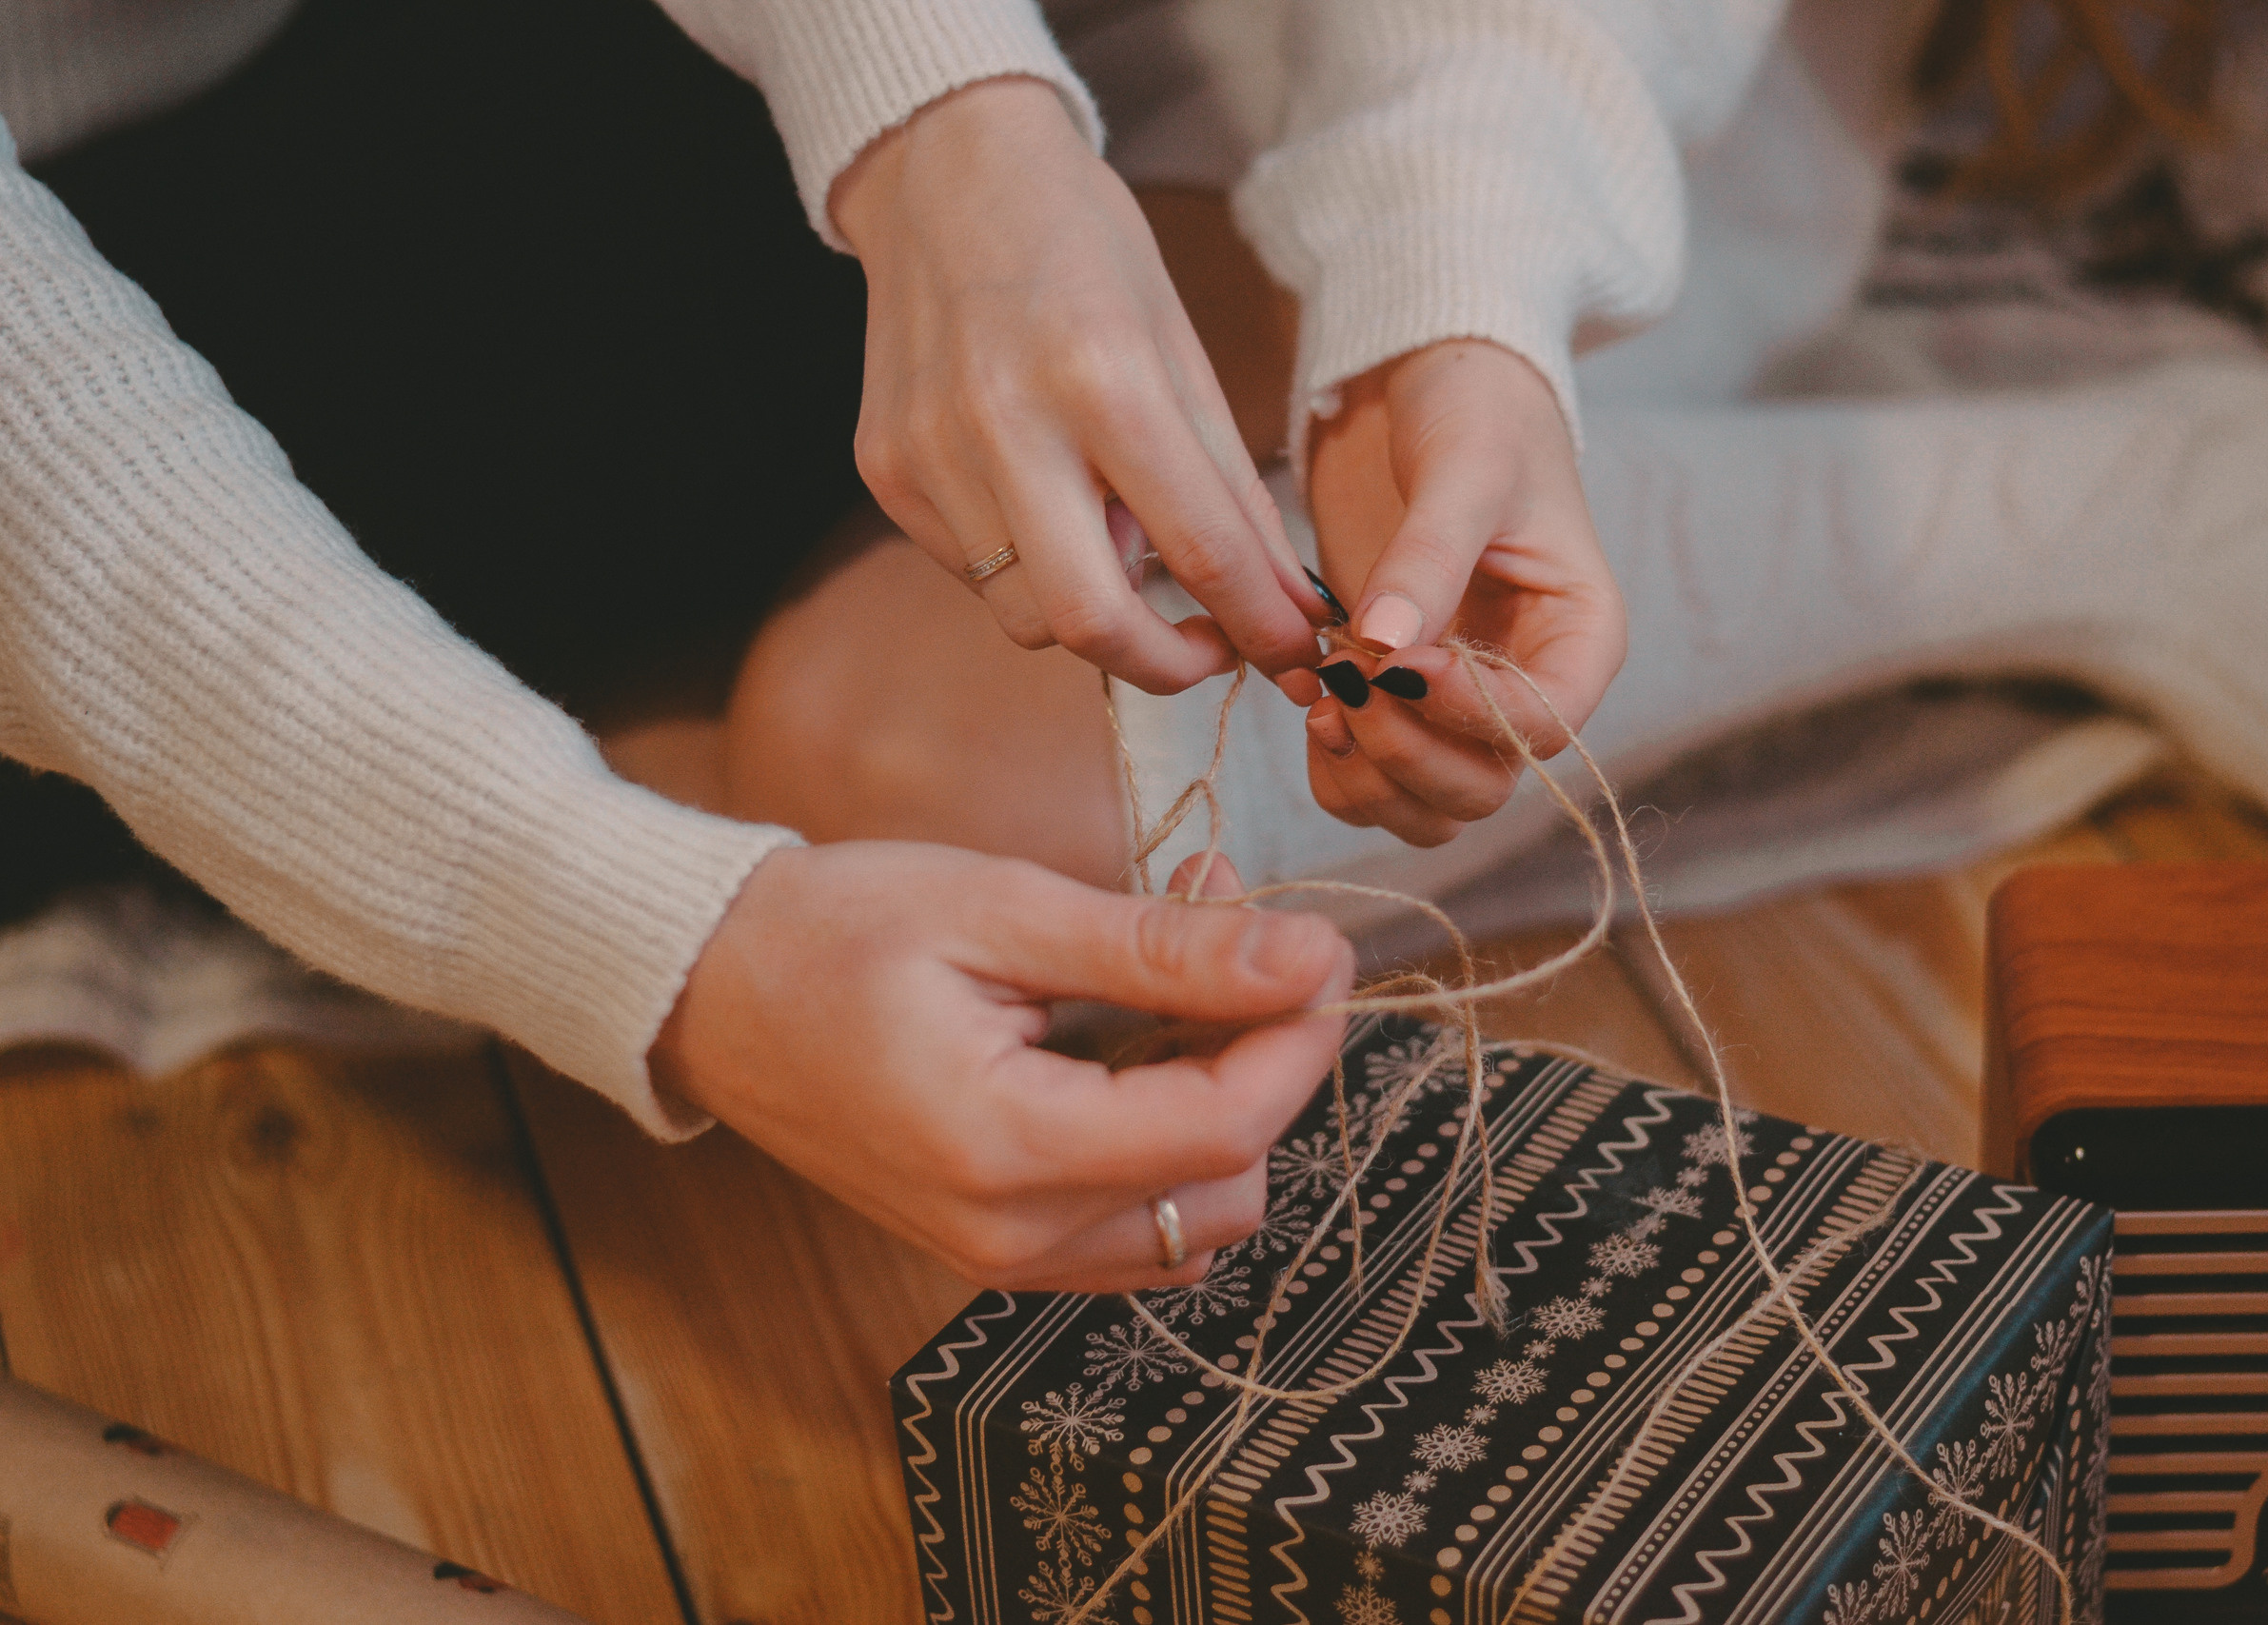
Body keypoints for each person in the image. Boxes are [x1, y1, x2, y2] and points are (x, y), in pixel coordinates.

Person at [0, 0, 1723, 1291]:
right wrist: (660, 945)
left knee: (956, 725)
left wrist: (1451, 265)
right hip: (153, 232)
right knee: (922, 776)